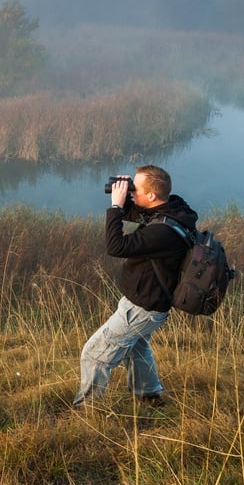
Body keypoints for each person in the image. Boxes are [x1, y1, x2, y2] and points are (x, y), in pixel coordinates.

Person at [73, 164, 197, 406]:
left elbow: (116, 247)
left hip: (142, 308)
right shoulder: (173, 209)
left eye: (135, 189)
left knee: (94, 354)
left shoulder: (162, 232)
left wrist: (116, 207)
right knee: (136, 348)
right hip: (149, 303)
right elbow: (141, 213)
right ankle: (149, 395)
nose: (131, 192)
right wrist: (128, 196)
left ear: (151, 195)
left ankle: (87, 410)